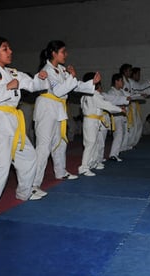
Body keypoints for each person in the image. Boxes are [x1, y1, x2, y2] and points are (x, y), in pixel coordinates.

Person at [0, 36, 49, 220]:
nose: (10, 51)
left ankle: (24, 192)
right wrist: (7, 87)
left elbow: (33, 85)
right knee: (2, 166)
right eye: (5, 49)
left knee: (29, 156)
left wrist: (41, 78)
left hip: (13, 119)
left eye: (10, 48)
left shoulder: (13, 72)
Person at [32, 40, 100, 186]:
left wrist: (91, 83)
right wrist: (71, 77)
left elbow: (74, 85)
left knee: (61, 142)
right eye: (63, 52)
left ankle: (61, 171)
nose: (66, 54)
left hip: (58, 108)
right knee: (43, 147)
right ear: (53, 53)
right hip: (46, 108)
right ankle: (33, 183)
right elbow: (58, 91)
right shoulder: (46, 70)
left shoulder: (62, 70)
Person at [78, 73, 123, 176]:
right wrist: (120, 109)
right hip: (91, 121)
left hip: (94, 121)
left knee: (94, 143)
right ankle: (84, 167)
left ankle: (92, 163)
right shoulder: (92, 94)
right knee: (90, 144)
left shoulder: (89, 94)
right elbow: (106, 105)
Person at [103, 73, 130, 162]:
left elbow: (130, 96)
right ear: (116, 81)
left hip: (122, 116)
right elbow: (113, 103)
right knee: (118, 135)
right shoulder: (111, 92)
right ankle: (113, 154)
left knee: (121, 135)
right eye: (121, 80)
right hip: (115, 116)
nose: (122, 82)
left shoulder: (122, 91)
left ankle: (116, 152)